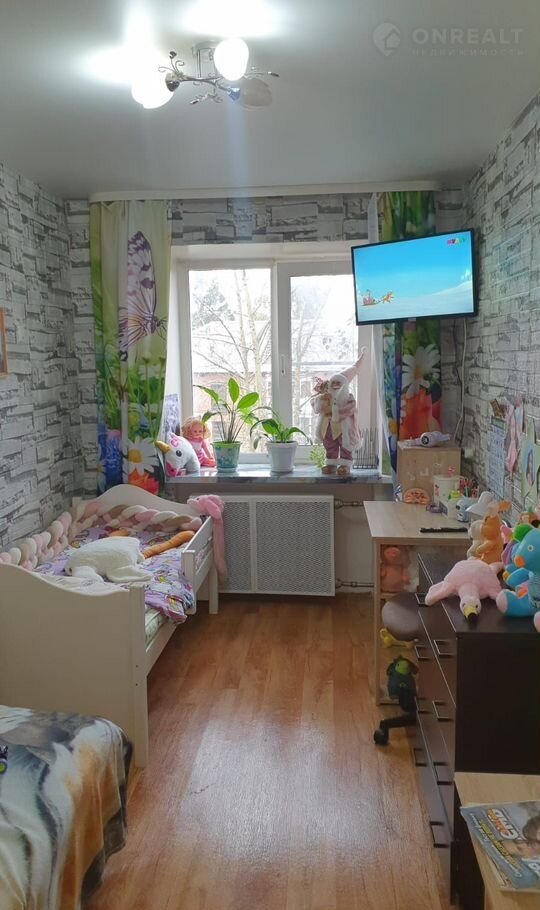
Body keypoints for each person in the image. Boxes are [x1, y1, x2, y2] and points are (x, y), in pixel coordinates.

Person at [310, 349, 366, 476]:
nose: (335, 384)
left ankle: (345, 465)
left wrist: (333, 411)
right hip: (328, 427)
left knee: (345, 445)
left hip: (343, 427)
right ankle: (331, 464)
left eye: (338, 383)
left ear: (344, 385)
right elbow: (315, 405)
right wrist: (321, 399)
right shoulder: (326, 396)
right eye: (333, 382)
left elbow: (349, 409)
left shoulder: (349, 397)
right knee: (329, 444)